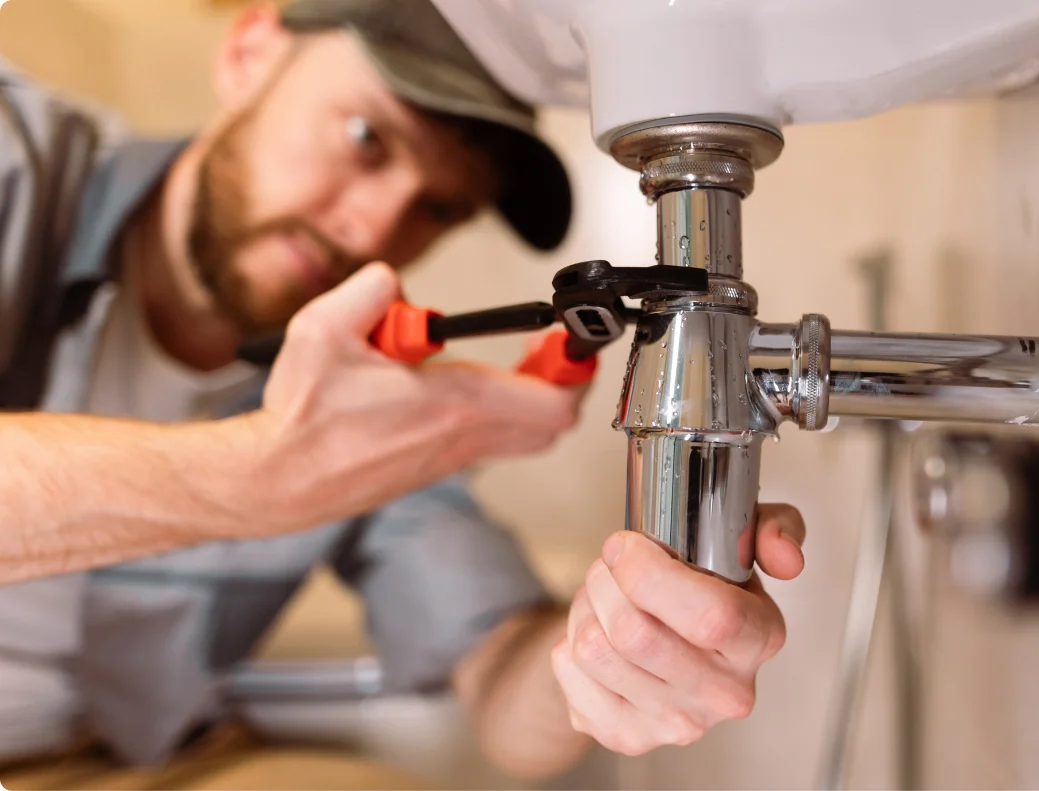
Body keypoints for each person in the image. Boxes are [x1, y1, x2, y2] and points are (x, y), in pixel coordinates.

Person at [0, 0, 807, 784]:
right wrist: (263, 473)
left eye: (440, 206)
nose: (375, 229)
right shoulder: (17, 163)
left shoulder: (366, 404)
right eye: (367, 138)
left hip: (140, 760)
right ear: (249, 53)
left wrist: (608, 658)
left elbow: (500, 676)